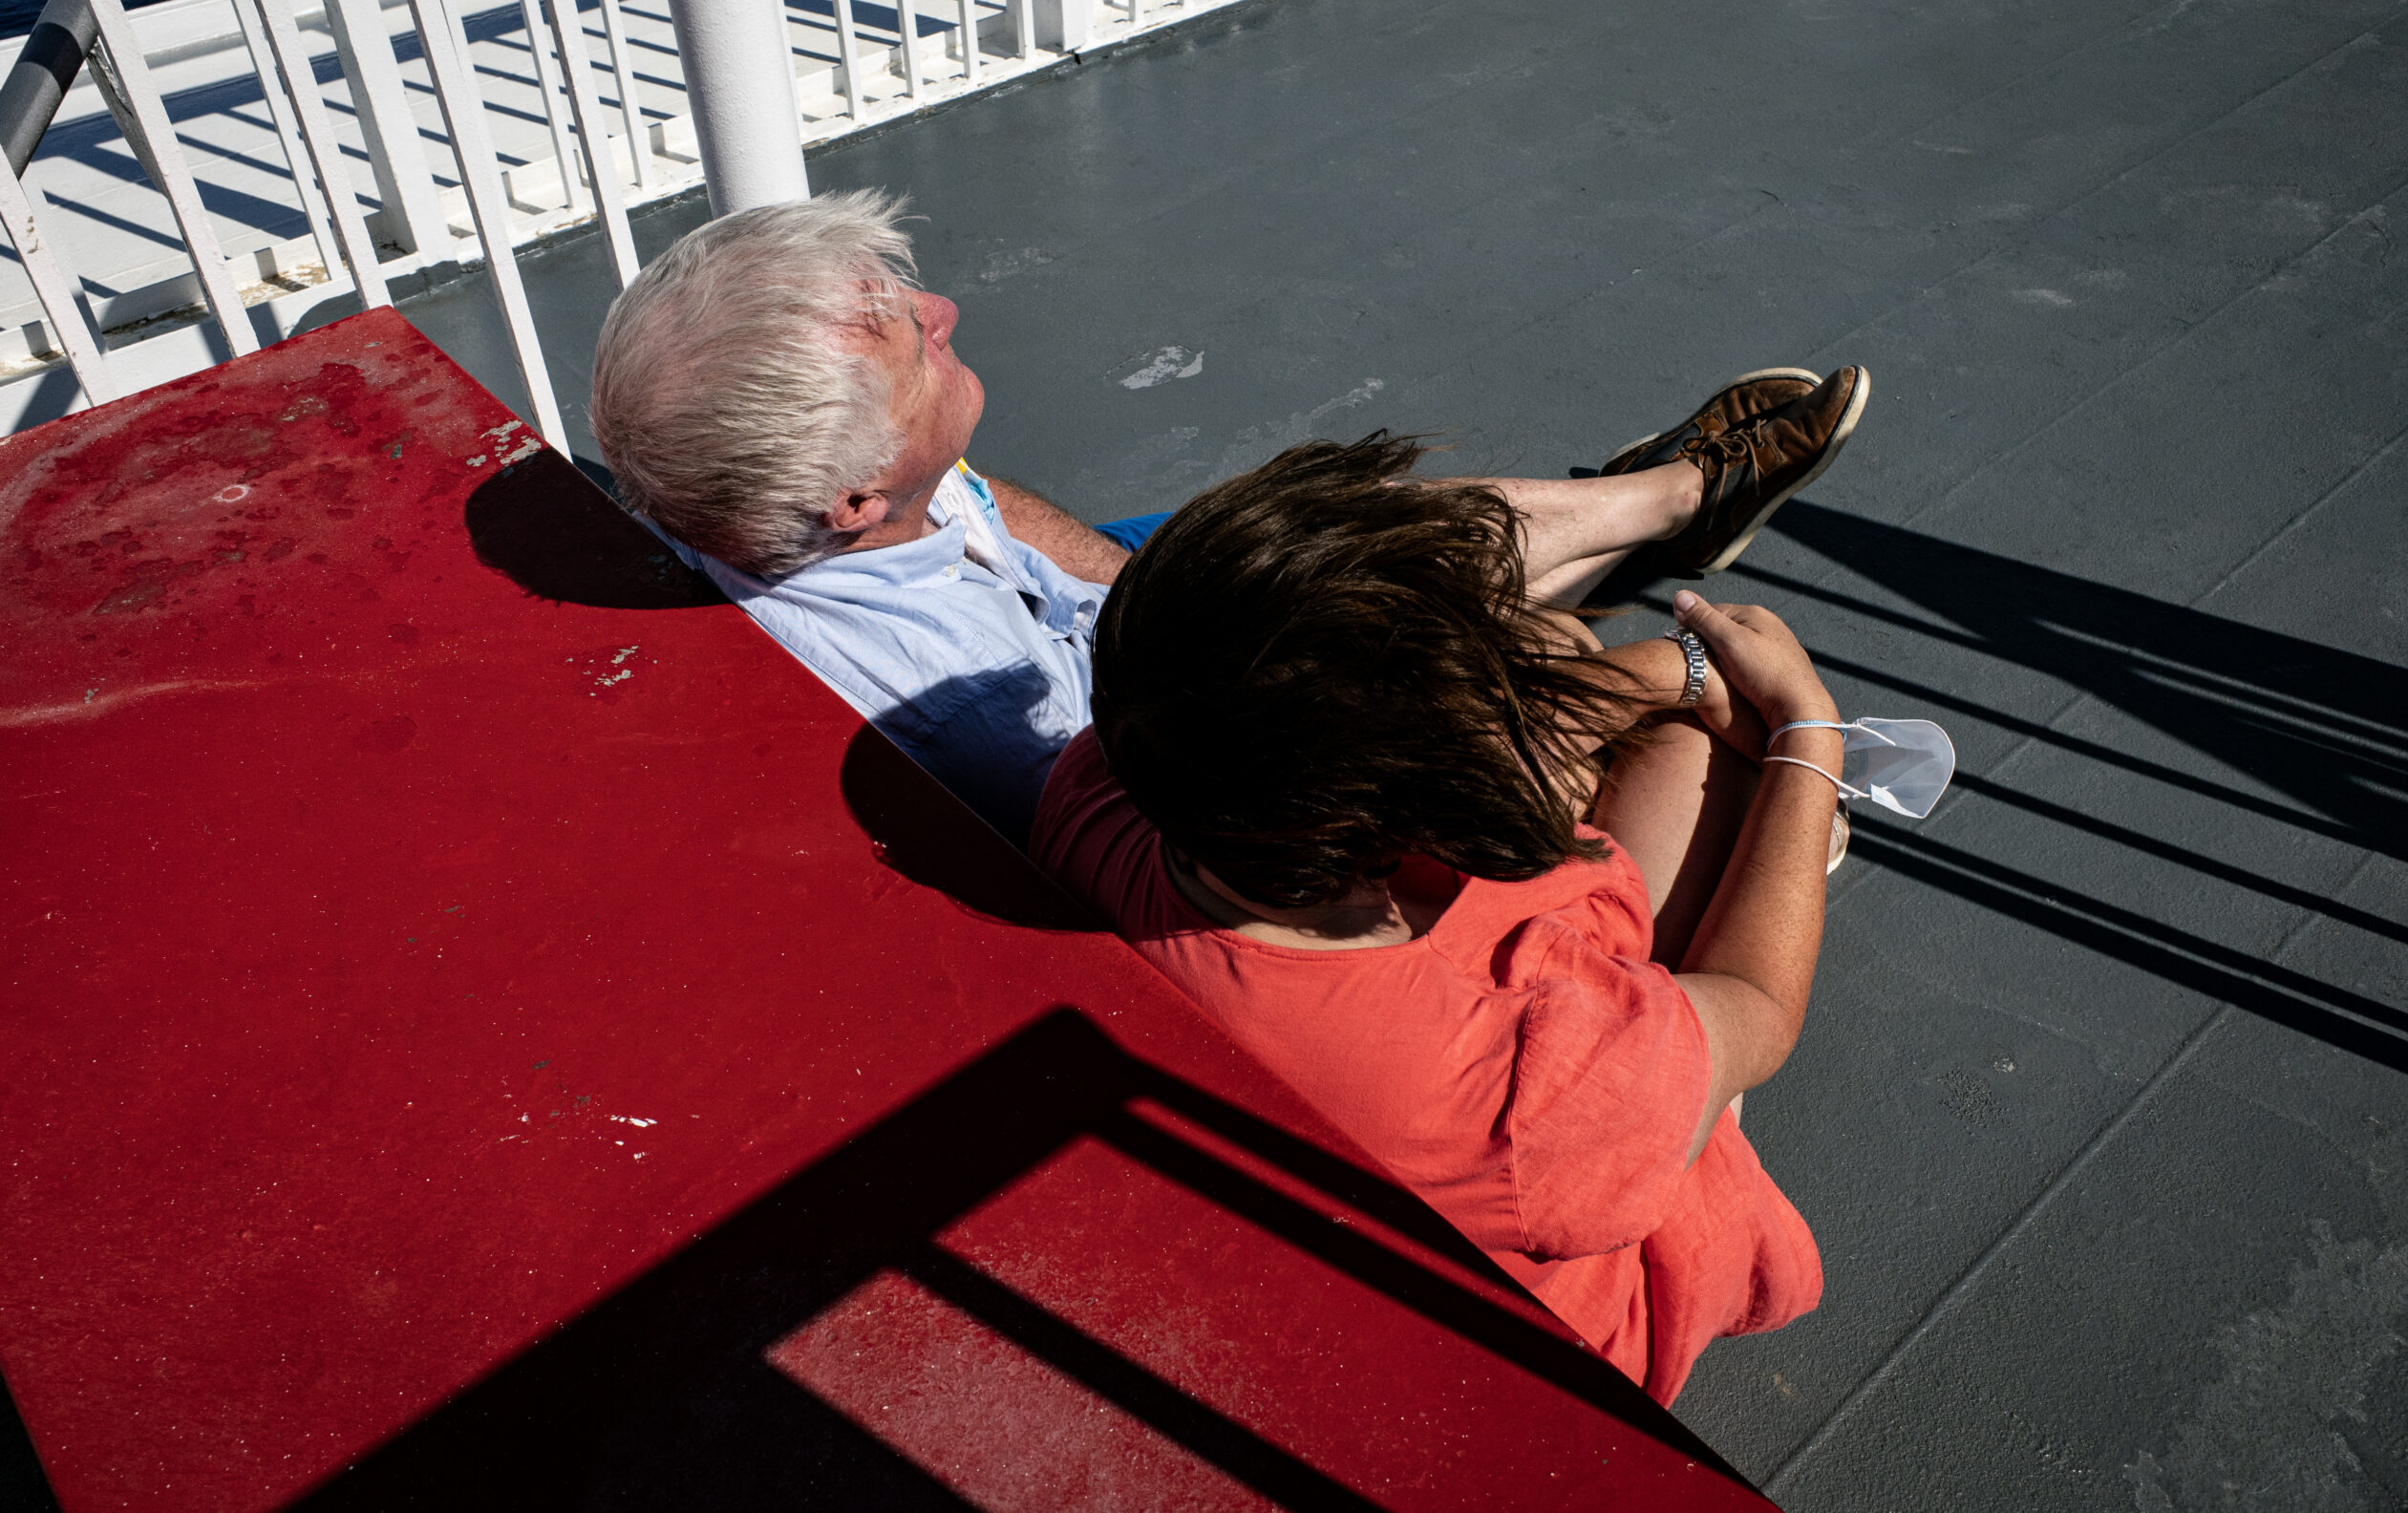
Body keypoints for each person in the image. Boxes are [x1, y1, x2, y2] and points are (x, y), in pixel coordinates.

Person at [589, 188, 1865, 843]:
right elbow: (1178, 810)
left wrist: (1126, 575)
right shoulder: (970, 705)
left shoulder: (773, 494)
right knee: (1411, 581)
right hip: (1176, 749)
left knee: (1362, 527)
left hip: (1112, 621)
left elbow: (975, 498)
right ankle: (1684, 506)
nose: (944, 314)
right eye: (911, 341)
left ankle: (1669, 497)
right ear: (855, 497)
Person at [1029, 432, 1850, 1404]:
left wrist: (1669, 670)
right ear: (1434, 815)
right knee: (1719, 771)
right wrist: (1809, 739)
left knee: (1576, 654)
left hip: (1388, 1086)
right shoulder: (1520, 1082)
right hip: (1567, 1243)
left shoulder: (1121, 775)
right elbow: (1758, 1007)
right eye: (1504, 705)